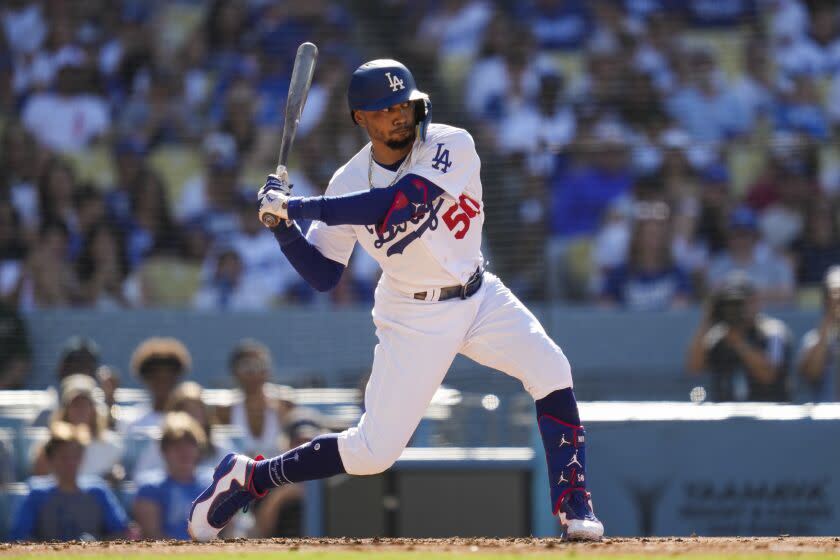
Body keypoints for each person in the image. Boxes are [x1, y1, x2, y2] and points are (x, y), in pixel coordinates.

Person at [189, 59, 603, 541]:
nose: (400, 115)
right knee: (373, 453)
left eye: (404, 104)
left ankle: (574, 503)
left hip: (480, 292)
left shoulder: (451, 143)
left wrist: (298, 206)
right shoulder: (346, 182)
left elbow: (402, 202)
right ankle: (252, 477)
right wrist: (284, 232)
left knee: (551, 369)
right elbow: (324, 274)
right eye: (386, 110)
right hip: (413, 313)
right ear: (361, 118)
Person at [9, 422, 128, 541]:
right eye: (63, 456)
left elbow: (121, 532)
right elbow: (20, 538)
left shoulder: (98, 491)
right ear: (51, 459)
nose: (70, 462)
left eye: (75, 455)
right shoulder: (36, 494)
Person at [686, 272, 793, 402]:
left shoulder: (773, 332)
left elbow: (769, 376)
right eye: (729, 304)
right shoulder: (718, 335)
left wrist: (738, 342)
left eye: (741, 302)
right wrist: (708, 317)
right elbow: (694, 368)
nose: (736, 309)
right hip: (727, 415)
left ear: (756, 301)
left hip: (769, 414)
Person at [133, 412, 213, 540]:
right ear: (164, 451)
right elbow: (152, 534)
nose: (184, 451)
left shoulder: (212, 485)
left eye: (190, 444)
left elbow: (227, 530)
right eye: (176, 445)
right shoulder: (149, 488)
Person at [31, 374, 123, 480]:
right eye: (75, 404)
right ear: (66, 410)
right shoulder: (49, 444)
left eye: (85, 404)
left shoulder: (110, 444)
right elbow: (40, 479)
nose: (80, 410)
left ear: (93, 410)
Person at [214, 339, 289, 459]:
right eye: (248, 367)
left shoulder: (285, 405)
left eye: (261, 366)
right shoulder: (224, 411)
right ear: (235, 372)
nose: (255, 373)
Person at [121, 337, 191, 432]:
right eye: (157, 379)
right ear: (146, 380)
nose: (163, 385)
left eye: (168, 379)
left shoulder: (188, 423)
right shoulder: (131, 423)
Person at [797, 266, 840, 402]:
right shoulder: (812, 339)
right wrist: (828, 321)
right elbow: (812, 374)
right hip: (824, 419)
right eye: (834, 295)